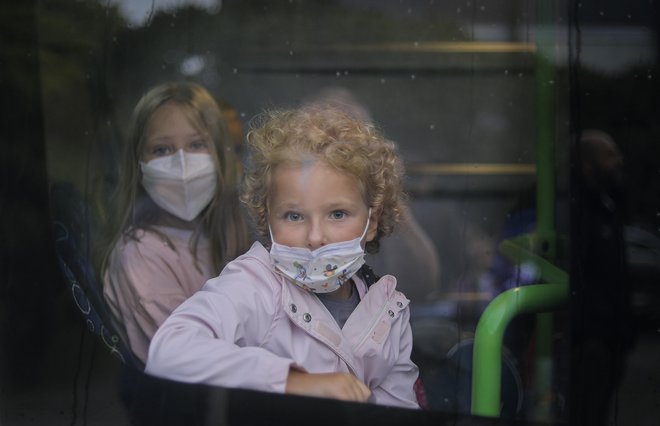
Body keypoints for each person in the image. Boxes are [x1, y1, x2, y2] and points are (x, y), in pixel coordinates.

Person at [145, 105, 420, 409]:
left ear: (373, 222)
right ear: (266, 218)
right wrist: (291, 382)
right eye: (293, 216)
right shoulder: (253, 286)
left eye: (337, 214)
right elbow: (168, 354)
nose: (315, 237)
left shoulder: (389, 309)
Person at [100, 82, 250, 366]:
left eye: (196, 145)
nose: (182, 165)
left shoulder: (222, 229)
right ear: (138, 164)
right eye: (161, 149)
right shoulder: (141, 256)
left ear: (220, 153)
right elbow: (193, 361)